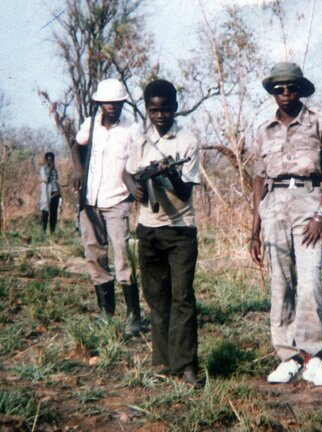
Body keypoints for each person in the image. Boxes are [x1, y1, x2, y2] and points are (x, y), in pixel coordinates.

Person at [250, 62, 322, 386]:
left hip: (308, 201)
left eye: (291, 88)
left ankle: (313, 356)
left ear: (301, 90)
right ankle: (288, 357)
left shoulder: (319, 122)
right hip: (273, 206)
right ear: (273, 93)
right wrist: (254, 230)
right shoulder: (263, 131)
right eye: (279, 89)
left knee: (310, 282)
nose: (286, 94)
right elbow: (260, 179)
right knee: (280, 284)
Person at [123, 79, 200, 385]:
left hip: (180, 231)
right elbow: (127, 174)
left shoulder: (187, 142)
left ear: (175, 109)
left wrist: (169, 173)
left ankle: (187, 366)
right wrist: (136, 190)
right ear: (147, 110)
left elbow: (185, 193)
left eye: (165, 109)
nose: (159, 115)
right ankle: (162, 363)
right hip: (148, 230)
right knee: (157, 298)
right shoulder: (140, 142)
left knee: (182, 297)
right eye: (154, 110)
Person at [71, 78, 143, 336]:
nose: (111, 106)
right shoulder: (91, 126)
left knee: (123, 254)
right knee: (94, 254)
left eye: (116, 102)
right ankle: (106, 312)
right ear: (100, 103)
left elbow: (139, 162)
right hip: (90, 200)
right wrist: (79, 171)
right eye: (107, 102)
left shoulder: (132, 130)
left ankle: (134, 314)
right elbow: (76, 147)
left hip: (118, 199)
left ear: (123, 102)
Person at [39, 152, 61, 233]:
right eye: (48, 159)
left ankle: (52, 231)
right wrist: (50, 169)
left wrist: (59, 192)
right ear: (46, 160)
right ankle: (43, 231)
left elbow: (56, 181)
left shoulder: (55, 170)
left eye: (52, 159)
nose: (50, 161)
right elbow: (46, 180)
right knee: (45, 212)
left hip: (55, 193)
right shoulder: (43, 169)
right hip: (46, 194)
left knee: (53, 213)